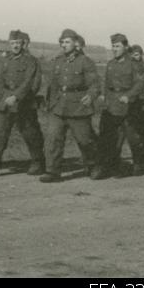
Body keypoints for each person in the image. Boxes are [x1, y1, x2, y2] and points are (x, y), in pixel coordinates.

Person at [38, 29, 101, 183]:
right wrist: (48, 102)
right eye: (62, 42)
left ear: (76, 43)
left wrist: (91, 96)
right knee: (53, 138)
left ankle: (93, 166)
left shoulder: (85, 62)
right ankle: (52, 171)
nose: (64, 45)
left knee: (85, 140)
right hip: (58, 106)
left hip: (78, 106)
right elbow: (52, 84)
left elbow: (95, 84)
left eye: (67, 42)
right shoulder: (58, 61)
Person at [0, 30, 44, 177]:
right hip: (5, 102)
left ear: (23, 44)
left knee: (30, 134)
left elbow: (32, 83)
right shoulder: (6, 60)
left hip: (25, 103)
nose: (15, 46)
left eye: (18, 43)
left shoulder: (31, 61)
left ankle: (38, 162)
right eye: (12, 43)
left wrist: (17, 96)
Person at [96, 33, 144, 178]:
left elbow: (140, 84)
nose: (114, 49)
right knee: (112, 137)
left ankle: (138, 163)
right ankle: (113, 166)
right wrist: (105, 99)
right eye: (113, 46)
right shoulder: (111, 64)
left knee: (133, 137)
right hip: (112, 104)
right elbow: (107, 84)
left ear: (125, 47)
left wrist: (129, 96)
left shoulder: (133, 64)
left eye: (117, 46)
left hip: (129, 106)